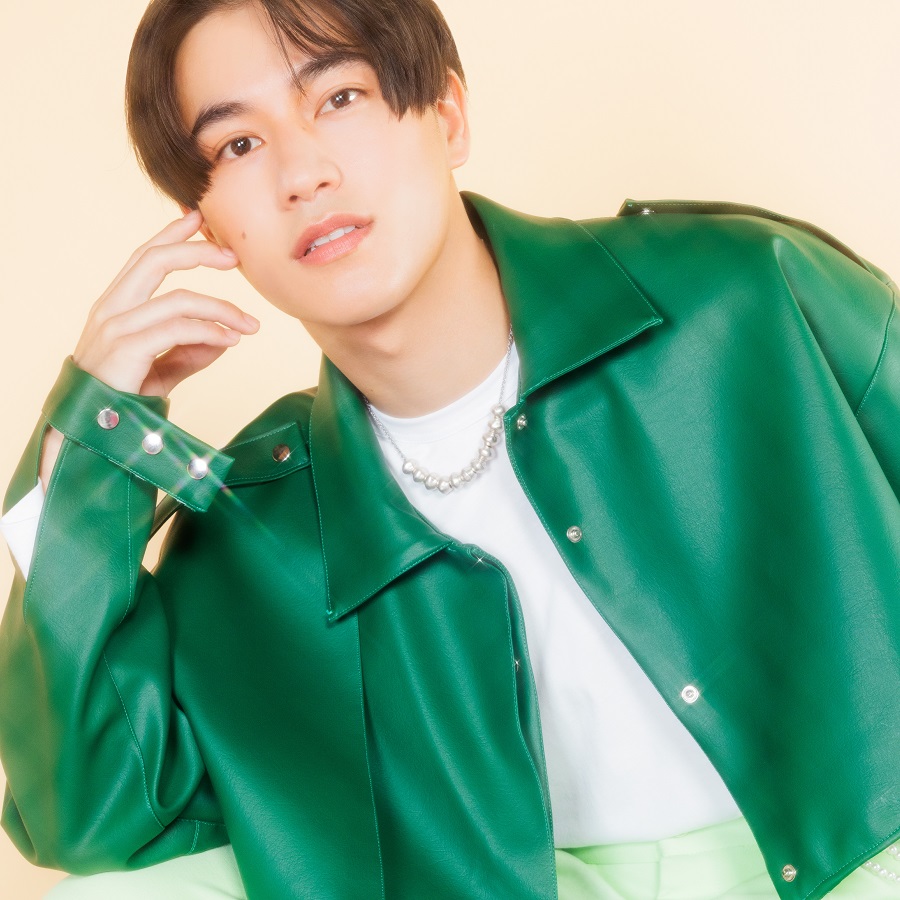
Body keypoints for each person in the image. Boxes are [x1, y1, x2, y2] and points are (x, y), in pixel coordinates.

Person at [1, 0, 899, 898]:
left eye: (339, 98)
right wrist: (91, 444)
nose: (303, 173)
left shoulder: (746, 293)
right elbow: (90, 822)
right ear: (205, 223)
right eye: (238, 144)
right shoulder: (254, 524)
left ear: (448, 115)